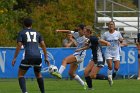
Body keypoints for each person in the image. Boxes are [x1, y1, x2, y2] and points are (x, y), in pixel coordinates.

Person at [11, 18, 50, 93]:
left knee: (20, 75)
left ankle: (25, 92)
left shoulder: (21, 33)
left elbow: (19, 45)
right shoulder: (38, 33)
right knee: (38, 75)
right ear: (31, 24)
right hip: (38, 56)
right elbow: (43, 45)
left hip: (28, 55)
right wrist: (46, 57)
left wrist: (15, 58)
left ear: (23, 24)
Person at [54, 24, 88, 89]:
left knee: (65, 60)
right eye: (79, 29)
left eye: (80, 29)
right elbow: (68, 31)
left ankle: (59, 73)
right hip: (78, 54)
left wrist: (86, 44)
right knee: (71, 73)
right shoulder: (76, 34)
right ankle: (84, 84)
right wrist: (59, 30)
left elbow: (89, 45)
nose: (84, 31)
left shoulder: (85, 38)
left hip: (80, 55)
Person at [101, 21, 123, 86]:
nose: (111, 26)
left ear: (114, 26)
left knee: (116, 68)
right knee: (110, 66)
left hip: (116, 52)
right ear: (108, 26)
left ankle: (113, 75)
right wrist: (106, 43)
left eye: (112, 24)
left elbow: (121, 40)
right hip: (109, 52)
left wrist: (121, 40)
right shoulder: (105, 34)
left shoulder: (117, 33)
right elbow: (101, 40)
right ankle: (109, 78)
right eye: (109, 25)